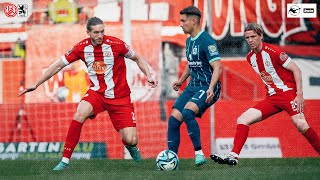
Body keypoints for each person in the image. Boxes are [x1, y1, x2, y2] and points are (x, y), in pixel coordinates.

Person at [18, 17, 157, 170]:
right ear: (88, 33)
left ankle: (132, 147)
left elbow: (138, 58)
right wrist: (36, 84)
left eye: (102, 31)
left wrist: (149, 75)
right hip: (97, 94)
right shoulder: (81, 48)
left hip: (120, 97)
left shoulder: (116, 45)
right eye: (96, 32)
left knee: (131, 140)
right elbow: (57, 66)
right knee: (79, 113)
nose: (100, 36)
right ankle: (64, 161)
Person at [211, 23, 320, 166]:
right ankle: (233, 156)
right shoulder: (250, 57)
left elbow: (296, 70)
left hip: (288, 94)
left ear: (261, 36)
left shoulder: (274, 51)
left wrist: (299, 94)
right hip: (272, 98)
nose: (250, 40)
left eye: (253, 36)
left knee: (301, 125)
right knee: (243, 119)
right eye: (247, 37)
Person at [167, 6, 222, 166]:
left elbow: (217, 67)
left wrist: (211, 88)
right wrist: (181, 80)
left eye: (183, 21)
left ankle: (199, 153)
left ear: (193, 21)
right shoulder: (189, 40)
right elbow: (192, 64)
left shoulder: (206, 40)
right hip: (193, 85)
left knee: (187, 113)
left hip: (207, 86)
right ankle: (171, 159)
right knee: (173, 120)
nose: (181, 24)